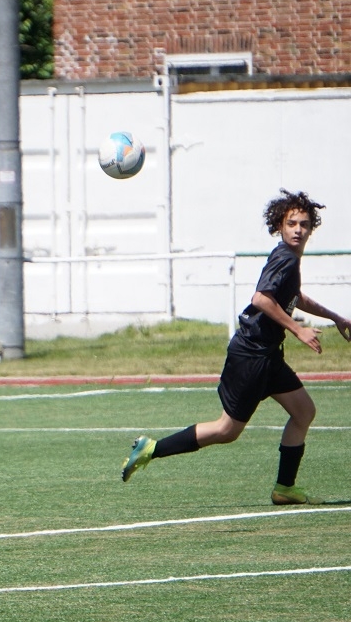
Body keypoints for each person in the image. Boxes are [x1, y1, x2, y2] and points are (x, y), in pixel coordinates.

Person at [121, 189, 351, 503]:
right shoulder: (285, 256)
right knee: (226, 430)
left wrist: (335, 317)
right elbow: (261, 299)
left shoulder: (288, 257)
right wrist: (298, 329)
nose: (298, 229)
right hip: (252, 355)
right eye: (291, 223)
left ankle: (284, 488)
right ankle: (150, 448)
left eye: (304, 224)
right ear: (280, 227)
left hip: (268, 355)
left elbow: (294, 297)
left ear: (312, 228)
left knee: (304, 411)